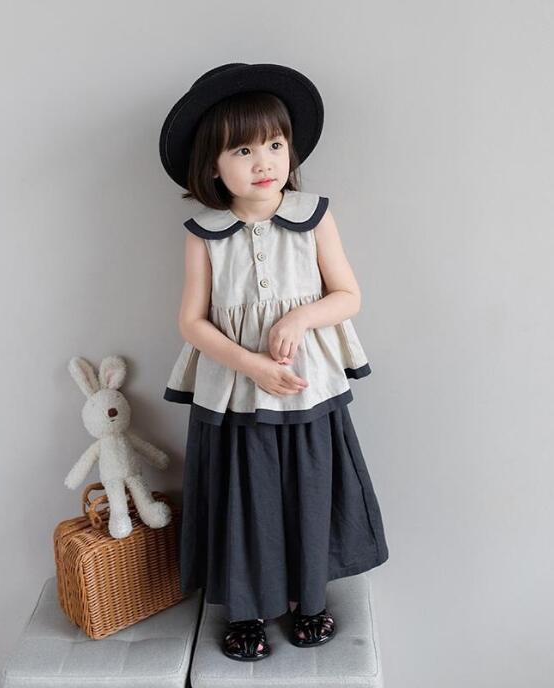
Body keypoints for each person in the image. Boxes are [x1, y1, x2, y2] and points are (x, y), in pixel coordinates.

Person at [159, 63, 389, 662]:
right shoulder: (204, 232)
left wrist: (298, 319)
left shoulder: (314, 216)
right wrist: (251, 364)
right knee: (245, 497)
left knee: (308, 490)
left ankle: (310, 600)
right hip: (235, 393)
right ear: (213, 165)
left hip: (306, 387)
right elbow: (191, 322)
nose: (264, 162)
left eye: (275, 145)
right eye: (243, 149)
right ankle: (246, 611)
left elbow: (348, 295)